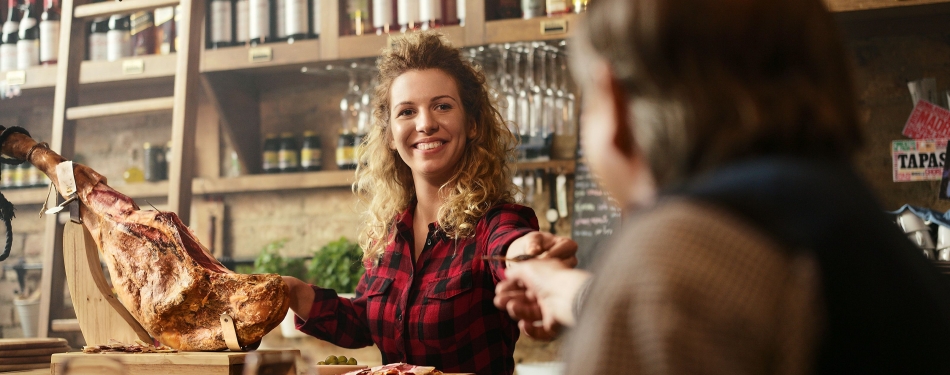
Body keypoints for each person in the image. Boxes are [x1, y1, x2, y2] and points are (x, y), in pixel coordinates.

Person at [495, 0, 950, 373]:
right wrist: (565, 292)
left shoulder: (674, 257)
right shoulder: (837, 208)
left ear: (612, 102)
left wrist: (615, 301)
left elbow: (676, 298)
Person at [281, 31, 577, 375]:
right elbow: (366, 321)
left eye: (442, 106)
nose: (425, 124)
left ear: (473, 124)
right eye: (407, 111)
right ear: (390, 136)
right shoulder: (393, 233)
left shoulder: (495, 223)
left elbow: (512, 248)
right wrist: (296, 293)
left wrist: (528, 258)